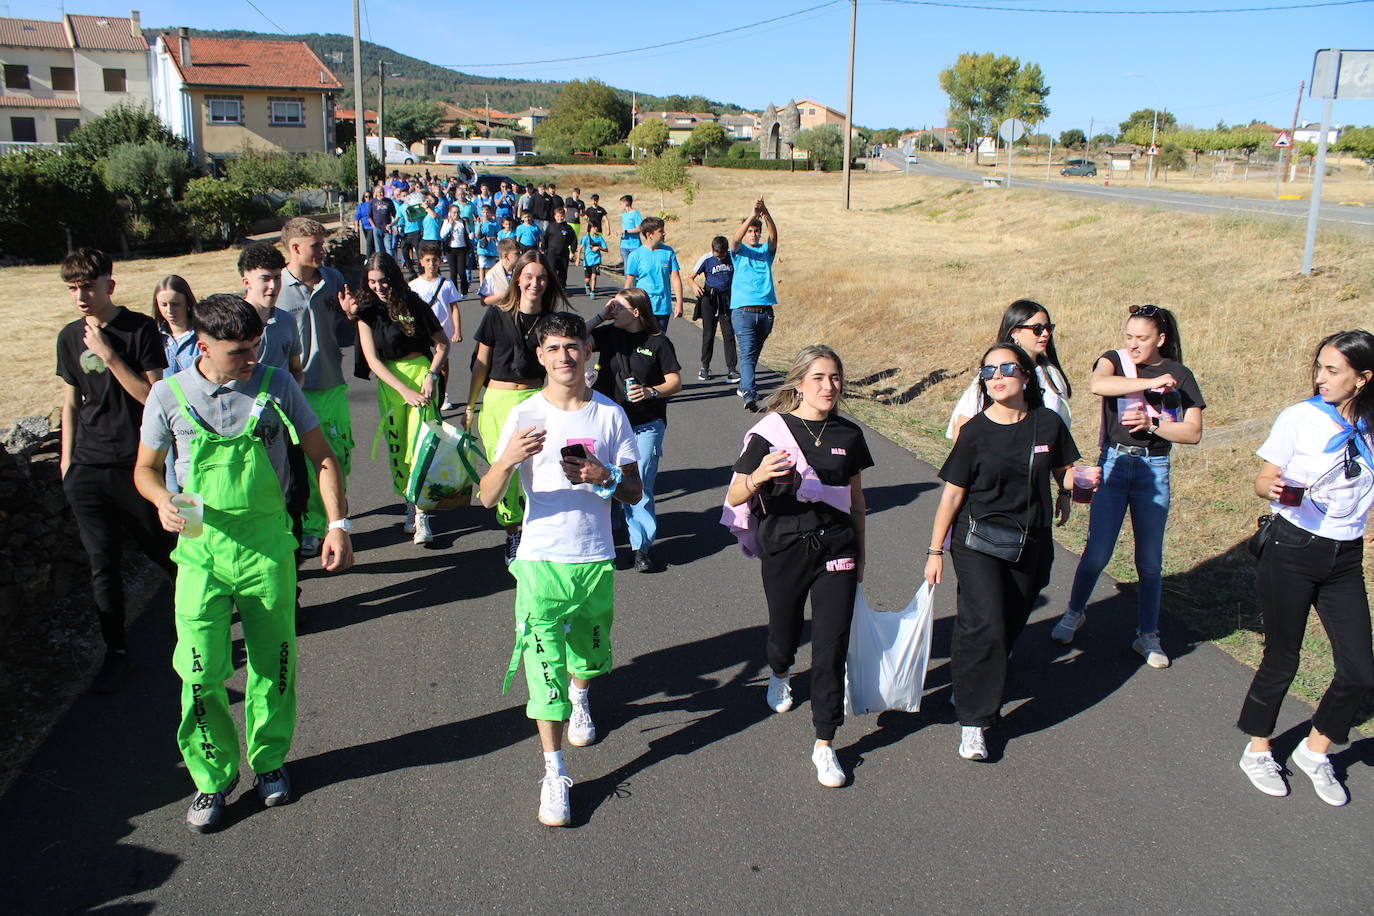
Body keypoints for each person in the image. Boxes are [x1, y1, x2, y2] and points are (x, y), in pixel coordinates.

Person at [134, 293, 353, 833]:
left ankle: (270, 759)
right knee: (200, 669)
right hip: (200, 550)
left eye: (256, 346)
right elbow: (145, 469)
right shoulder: (167, 395)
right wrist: (163, 500)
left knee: (273, 664)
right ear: (202, 347)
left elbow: (322, 457)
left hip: (266, 548)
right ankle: (211, 778)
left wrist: (337, 525)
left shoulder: (276, 385)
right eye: (239, 352)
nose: (253, 359)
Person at [480, 310, 642, 827]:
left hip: (594, 557)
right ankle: (554, 773)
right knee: (541, 672)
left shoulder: (611, 415)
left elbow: (636, 491)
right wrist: (506, 459)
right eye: (552, 348)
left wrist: (604, 474)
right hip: (539, 560)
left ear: (588, 350)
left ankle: (581, 698)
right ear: (540, 356)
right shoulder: (525, 414)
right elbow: (487, 498)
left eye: (572, 346)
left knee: (590, 658)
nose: (563, 356)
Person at [1236, 330, 1374, 807]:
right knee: (1283, 656)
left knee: (1359, 671)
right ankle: (1257, 748)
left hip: (1344, 557)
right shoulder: (1298, 417)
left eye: (1333, 370)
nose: (1321, 378)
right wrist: (1270, 490)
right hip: (1291, 548)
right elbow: (1264, 478)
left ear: (1364, 378)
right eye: (1320, 367)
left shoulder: (1373, 424)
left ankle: (1316, 751)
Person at [723, 345, 871, 788]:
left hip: (837, 548)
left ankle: (825, 741)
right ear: (799, 383)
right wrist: (759, 477)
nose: (830, 386)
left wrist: (862, 555)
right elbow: (733, 497)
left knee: (831, 646)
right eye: (820, 377)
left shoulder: (849, 435)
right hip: (785, 547)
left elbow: (857, 502)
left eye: (836, 377)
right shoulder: (771, 432)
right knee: (784, 630)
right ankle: (780, 671)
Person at [925, 342, 1079, 761]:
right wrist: (935, 550)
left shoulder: (1047, 424)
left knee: (1007, 625)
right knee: (986, 624)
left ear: (1026, 377)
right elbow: (953, 494)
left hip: (1031, 541)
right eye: (988, 371)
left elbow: (1066, 476)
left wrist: (1080, 483)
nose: (996, 377)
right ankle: (975, 722)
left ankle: (969, 678)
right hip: (978, 541)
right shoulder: (974, 431)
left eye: (1006, 369)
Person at [1050, 305, 1204, 668]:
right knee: (1097, 551)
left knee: (1149, 561)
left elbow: (1193, 432)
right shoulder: (1115, 361)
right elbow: (1098, 384)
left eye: (1143, 338)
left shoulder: (1180, 374)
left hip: (1154, 467)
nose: (1133, 345)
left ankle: (1148, 635)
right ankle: (1074, 612)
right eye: (1129, 336)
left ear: (1161, 339)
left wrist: (1152, 424)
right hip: (1115, 464)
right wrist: (1150, 383)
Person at [57, 248, 177, 694]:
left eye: (87, 285)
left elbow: (155, 399)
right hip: (87, 469)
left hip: (134, 465)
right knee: (101, 565)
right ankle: (116, 652)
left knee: (168, 554)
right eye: (72, 288)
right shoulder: (68, 337)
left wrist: (109, 355)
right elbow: (71, 402)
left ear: (109, 283)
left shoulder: (138, 329)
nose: (81, 296)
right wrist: (68, 463)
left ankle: (196, 628)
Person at [467, 253, 568, 563]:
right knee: (504, 466)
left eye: (541, 278)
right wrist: (470, 404)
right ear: (517, 279)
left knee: (537, 467)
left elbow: (565, 354)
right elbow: (481, 362)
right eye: (529, 276)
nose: (534, 283)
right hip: (498, 400)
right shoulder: (496, 315)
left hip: (536, 399)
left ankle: (534, 531)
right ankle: (513, 533)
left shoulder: (550, 321)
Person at [349, 254, 450, 546]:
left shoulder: (414, 303)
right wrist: (402, 390)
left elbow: (442, 343)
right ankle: (408, 502)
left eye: (384, 281)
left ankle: (422, 514)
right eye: (372, 282)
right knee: (400, 448)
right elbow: (372, 360)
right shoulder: (367, 312)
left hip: (420, 375)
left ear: (394, 278)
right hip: (391, 384)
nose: (379, 287)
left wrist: (431, 375)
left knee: (422, 447)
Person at [277, 217, 357, 557]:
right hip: (297, 390)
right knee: (312, 463)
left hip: (333, 384)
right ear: (295, 248)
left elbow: (346, 322)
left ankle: (334, 505)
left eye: (323, 244)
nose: (323, 251)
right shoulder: (275, 287)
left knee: (342, 455)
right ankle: (314, 527)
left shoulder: (333, 279)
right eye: (316, 246)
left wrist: (350, 314)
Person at [587, 289, 682, 571]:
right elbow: (574, 338)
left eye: (619, 306)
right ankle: (612, 535)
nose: (613, 309)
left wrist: (651, 392)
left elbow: (675, 382)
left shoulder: (658, 342)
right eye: (612, 306)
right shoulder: (607, 334)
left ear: (637, 312)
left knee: (638, 485)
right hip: (608, 424)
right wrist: (600, 315)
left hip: (645, 425)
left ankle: (641, 547)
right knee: (605, 480)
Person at [946, 299, 1072, 441]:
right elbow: (962, 429)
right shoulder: (994, 375)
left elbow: (1061, 434)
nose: (1045, 334)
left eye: (1048, 328)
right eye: (1037, 329)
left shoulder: (1051, 373)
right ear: (1014, 332)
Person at [730, 198, 779, 412]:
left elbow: (774, 236)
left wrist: (765, 214)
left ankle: (744, 384)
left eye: (755, 231)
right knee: (748, 353)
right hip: (743, 312)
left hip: (765, 312)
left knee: (754, 353)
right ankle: (749, 394)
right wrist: (752, 214)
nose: (753, 234)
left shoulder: (765, 252)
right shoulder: (739, 253)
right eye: (750, 231)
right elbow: (734, 239)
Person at [238, 243, 304, 387]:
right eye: (265, 278)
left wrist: (292, 396)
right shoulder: (232, 323)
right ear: (246, 282)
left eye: (277, 278)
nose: (273, 285)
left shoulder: (287, 321)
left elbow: (296, 369)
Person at [410, 242, 464, 411]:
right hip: (422, 332)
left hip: (442, 330)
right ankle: (423, 392)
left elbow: (454, 308)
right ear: (421, 262)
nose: (431, 264)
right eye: (428, 260)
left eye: (434, 260)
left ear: (440, 261)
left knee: (443, 364)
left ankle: (443, 393)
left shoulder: (446, 284)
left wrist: (457, 330)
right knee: (424, 363)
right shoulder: (414, 285)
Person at [690, 236, 738, 384]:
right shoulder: (706, 258)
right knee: (708, 334)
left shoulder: (732, 256)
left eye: (722, 255)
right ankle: (704, 367)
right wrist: (694, 285)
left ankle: (732, 369)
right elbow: (691, 277)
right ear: (713, 250)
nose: (720, 258)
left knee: (729, 334)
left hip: (727, 299)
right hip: (709, 299)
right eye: (718, 255)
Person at [622, 216, 683, 332]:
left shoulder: (668, 252)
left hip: (663, 307)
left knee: (659, 343)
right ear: (649, 234)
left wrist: (679, 303)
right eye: (660, 231)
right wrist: (625, 305)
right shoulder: (635, 255)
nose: (664, 234)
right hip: (643, 308)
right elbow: (629, 283)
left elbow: (675, 278)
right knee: (643, 344)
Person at [152, 275, 200, 375]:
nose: (169, 311)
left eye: (175, 304)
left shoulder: (203, 335)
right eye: (164, 305)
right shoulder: (154, 338)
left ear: (187, 302)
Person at [541, 205, 579, 292]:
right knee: (552, 271)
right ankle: (551, 288)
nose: (560, 218)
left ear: (564, 216)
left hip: (563, 254)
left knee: (563, 272)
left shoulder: (568, 228)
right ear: (555, 217)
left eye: (561, 216)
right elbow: (545, 238)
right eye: (558, 216)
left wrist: (573, 251)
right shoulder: (551, 226)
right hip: (551, 254)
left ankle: (562, 288)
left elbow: (573, 240)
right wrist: (543, 249)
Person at [439, 204, 472, 297]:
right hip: (451, 249)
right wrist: (450, 224)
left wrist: (472, 236)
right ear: (450, 213)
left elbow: (468, 233)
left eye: (457, 212)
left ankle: (464, 291)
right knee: (453, 272)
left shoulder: (463, 222)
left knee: (462, 272)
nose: (456, 214)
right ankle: (454, 292)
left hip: (461, 248)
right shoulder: (446, 222)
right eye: (454, 212)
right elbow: (442, 235)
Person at [480, 239, 521, 307]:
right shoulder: (492, 274)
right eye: (517, 253)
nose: (520, 256)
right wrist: (501, 296)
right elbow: (483, 301)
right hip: (501, 312)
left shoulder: (521, 271)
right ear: (506, 256)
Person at [579, 224, 608, 299]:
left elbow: (606, 249)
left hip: (596, 260)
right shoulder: (586, 238)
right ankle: (587, 285)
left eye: (596, 227)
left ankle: (592, 291)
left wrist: (599, 247)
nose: (595, 229)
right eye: (593, 227)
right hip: (587, 261)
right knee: (587, 279)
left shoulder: (600, 238)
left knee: (594, 276)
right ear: (590, 228)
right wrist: (577, 259)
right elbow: (580, 248)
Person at [476, 205, 499, 285]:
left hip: (492, 248)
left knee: (490, 268)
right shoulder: (479, 222)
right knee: (482, 267)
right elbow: (477, 235)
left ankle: (489, 284)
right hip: (482, 248)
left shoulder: (494, 223)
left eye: (487, 212)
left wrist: (492, 238)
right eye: (484, 212)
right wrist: (479, 225)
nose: (485, 214)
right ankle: (482, 285)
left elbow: (497, 234)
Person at [617, 194, 642, 270]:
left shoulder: (635, 214)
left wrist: (626, 231)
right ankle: (628, 282)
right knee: (627, 268)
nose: (620, 206)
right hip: (624, 245)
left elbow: (639, 229)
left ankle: (635, 282)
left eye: (621, 204)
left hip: (634, 246)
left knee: (634, 268)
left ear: (626, 203)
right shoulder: (623, 215)